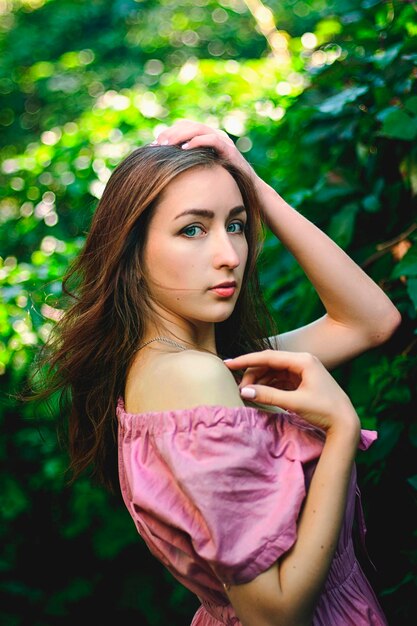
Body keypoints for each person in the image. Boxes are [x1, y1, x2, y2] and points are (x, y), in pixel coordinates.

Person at [37, 120, 400, 625]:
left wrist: (253, 184)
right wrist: (341, 431)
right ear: (131, 251)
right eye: (192, 229)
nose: (229, 256)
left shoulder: (212, 369)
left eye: (235, 224)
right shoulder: (191, 379)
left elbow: (370, 322)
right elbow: (274, 615)